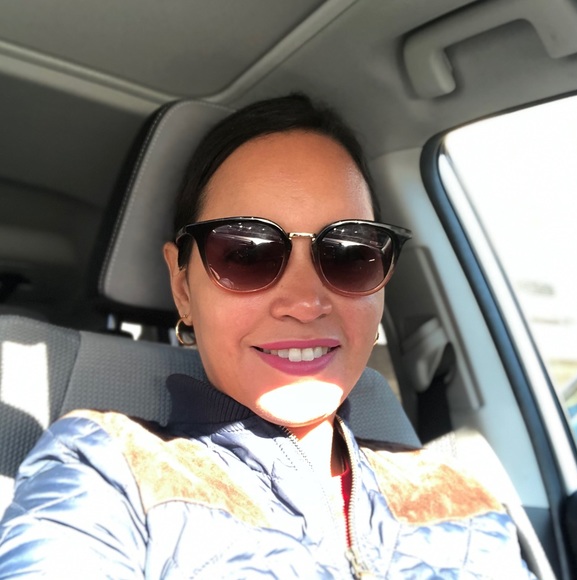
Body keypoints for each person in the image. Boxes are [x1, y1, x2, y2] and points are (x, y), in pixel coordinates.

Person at [0, 94, 534, 578]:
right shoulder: (108, 472)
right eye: (245, 253)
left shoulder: (462, 497)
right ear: (183, 287)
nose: (305, 303)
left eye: (349, 254)